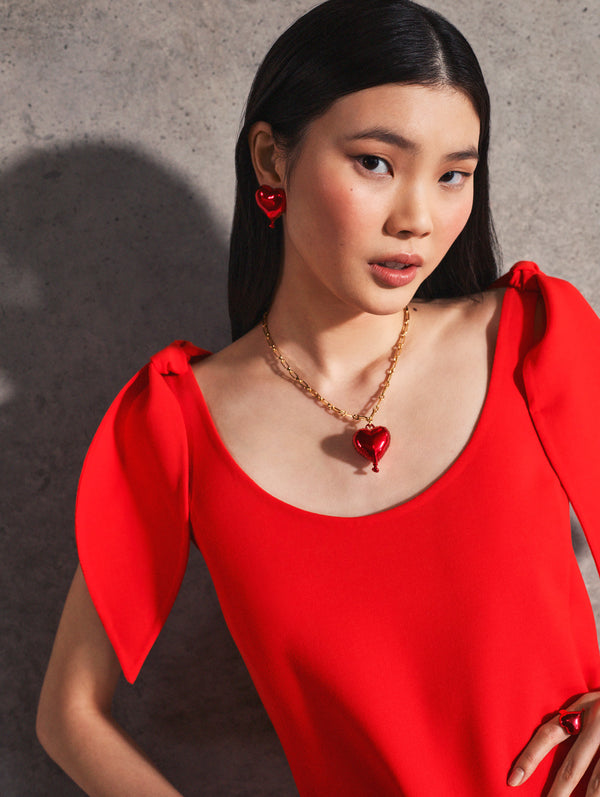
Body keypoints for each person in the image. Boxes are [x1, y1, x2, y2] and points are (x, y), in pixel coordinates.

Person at [36, 0, 600, 794]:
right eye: (376, 162)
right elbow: (68, 713)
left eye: (454, 175)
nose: (417, 218)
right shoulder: (176, 426)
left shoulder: (535, 338)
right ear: (272, 160)